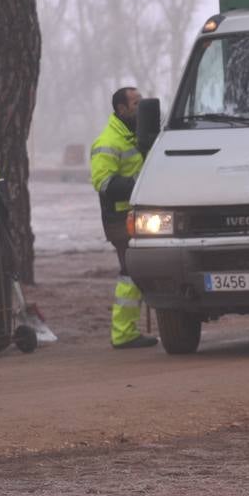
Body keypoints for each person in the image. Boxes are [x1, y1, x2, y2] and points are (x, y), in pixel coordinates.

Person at [90, 87, 156, 350]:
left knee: (139, 271)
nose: (141, 108)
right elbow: (103, 182)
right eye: (136, 103)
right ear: (121, 109)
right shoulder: (107, 141)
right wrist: (140, 184)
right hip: (119, 218)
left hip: (140, 215)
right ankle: (123, 333)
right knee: (131, 273)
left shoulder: (138, 137)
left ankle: (126, 330)